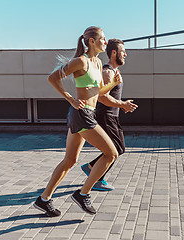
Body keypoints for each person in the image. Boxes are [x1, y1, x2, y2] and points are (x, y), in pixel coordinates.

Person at [33, 26, 121, 217]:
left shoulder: (97, 63)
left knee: (70, 160)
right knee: (111, 153)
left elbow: (96, 93)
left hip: (86, 113)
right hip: (82, 115)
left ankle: (43, 199)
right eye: (103, 39)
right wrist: (70, 98)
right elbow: (53, 78)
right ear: (91, 41)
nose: (105, 42)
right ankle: (83, 194)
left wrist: (113, 84)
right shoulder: (80, 62)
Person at [81, 39, 138, 191]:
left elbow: (111, 96)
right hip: (105, 116)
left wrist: (122, 105)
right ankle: (95, 176)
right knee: (116, 149)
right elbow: (102, 97)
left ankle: (91, 168)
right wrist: (122, 104)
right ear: (114, 53)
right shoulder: (107, 72)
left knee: (117, 148)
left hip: (112, 116)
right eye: (123, 51)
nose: (125, 54)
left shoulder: (114, 71)